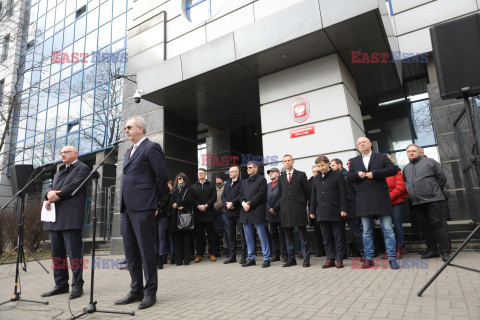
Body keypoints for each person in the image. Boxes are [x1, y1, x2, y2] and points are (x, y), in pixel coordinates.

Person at [115, 116, 167, 310]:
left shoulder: (151, 147)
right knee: (131, 252)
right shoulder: (129, 151)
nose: (126, 130)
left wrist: (157, 204)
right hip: (127, 208)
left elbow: (161, 177)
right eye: (126, 128)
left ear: (140, 128)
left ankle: (150, 291)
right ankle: (135, 289)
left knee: (146, 251)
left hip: (144, 206)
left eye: (129, 127)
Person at [41, 146, 89, 300]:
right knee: (57, 253)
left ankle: (77, 285)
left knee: (74, 253)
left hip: (70, 216)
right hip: (55, 217)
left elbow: (73, 186)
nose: (62, 154)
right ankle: (61, 284)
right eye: (61, 153)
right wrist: (48, 193)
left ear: (75, 153)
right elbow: (50, 186)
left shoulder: (82, 168)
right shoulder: (59, 170)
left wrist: (56, 195)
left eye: (66, 152)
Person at [347, 137, 399, 269]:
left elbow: (394, 169)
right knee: (366, 231)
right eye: (359, 143)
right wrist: (358, 174)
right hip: (363, 200)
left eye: (363, 142)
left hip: (380, 198)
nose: (361, 144)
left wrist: (375, 174)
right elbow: (349, 178)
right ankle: (368, 259)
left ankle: (392, 258)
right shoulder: (354, 161)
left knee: (387, 229)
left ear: (370, 144)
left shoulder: (381, 157)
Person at [403, 144, 451, 262]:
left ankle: (445, 251)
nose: (411, 153)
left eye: (413, 151)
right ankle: (432, 250)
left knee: (437, 224)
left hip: (433, 199)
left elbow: (442, 178)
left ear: (420, 152)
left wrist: (433, 190)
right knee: (425, 227)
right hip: (417, 202)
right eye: (409, 151)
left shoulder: (430, 162)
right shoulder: (406, 168)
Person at [310, 155, 348, 268]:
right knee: (326, 238)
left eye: (322, 165)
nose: (320, 167)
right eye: (318, 166)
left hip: (336, 211)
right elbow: (313, 195)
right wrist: (312, 210)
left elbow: (343, 193)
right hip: (321, 212)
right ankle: (330, 259)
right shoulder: (316, 178)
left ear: (328, 164)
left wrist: (343, 208)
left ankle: (339, 259)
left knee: (338, 237)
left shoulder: (337, 175)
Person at [278, 155, 311, 267]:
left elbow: (307, 191)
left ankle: (306, 259)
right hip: (286, 210)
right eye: (285, 161)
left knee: (303, 236)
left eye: (289, 160)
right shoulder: (281, 178)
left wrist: (302, 202)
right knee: (288, 237)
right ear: (283, 163)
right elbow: (280, 193)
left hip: (298, 209)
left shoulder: (301, 174)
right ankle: (291, 259)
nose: (287, 162)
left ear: (293, 161)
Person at [331, 158, 364, 259]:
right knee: (339, 234)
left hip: (350, 208)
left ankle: (363, 254)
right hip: (339, 208)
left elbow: (353, 192)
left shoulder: (347, 176)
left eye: (333, 165)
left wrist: (352, 204)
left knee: (356, 232)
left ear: (340, 165)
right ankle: (343, 254)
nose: (331, 167)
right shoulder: (334, 177)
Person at [240, 161, 271, 268]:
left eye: (250, 167)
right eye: (247, 168)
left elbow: (261, 195)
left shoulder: (262, 180)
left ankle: (266, 258)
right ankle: (251, 258)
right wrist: (243, 203)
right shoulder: (244, 182)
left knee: (262, 236)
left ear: (256, 168)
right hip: (246, 212)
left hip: (257, 211)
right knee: (248, 237)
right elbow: (241, 195)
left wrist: (250, 204)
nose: (247, 169)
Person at [222, 166, 248, 264]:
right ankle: (232, 256)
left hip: (239, 212)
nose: (230, 173)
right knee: (231, 236)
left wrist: (232, 203)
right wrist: (227, 204)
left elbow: (241, 195)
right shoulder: (227, 183)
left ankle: (243, 256)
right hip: (229, 213)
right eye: (229, 172)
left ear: (237, 172)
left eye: (232, 172)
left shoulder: (242, 183)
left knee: (242, 235)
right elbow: (223, 196)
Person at [191, 168, 217, 263]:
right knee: (199, 235)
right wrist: (198, 206)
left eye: (202, 173)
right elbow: (192, 198)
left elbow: (214, 197)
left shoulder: (211, 185)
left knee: (210, 234)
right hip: (198, 214)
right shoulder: (193, 187)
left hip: (209, 213)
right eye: (199, 173)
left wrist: (206, 205)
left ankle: (212, 254)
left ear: (205, 174)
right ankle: (199, 254)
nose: (200, 175)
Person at [384, 154, 407, 259]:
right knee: (386, 228)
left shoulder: (396, 171)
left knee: (397, 226)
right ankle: (390, 249)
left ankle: (399, 248)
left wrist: (388, 198)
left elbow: (400, 187)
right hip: (383, 204)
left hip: (396, 202)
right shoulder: (379, 173)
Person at [170, 173, 194, 266]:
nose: (179, 180)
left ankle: (187, 259)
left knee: (186, 238)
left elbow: (190, 200)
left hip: (185, 216)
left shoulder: (189, 189)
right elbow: (172, 202)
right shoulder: (175, 191)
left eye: (181, 178)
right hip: (176, 217)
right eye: (178, 178)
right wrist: (175, 205)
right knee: (177, 239)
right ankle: (178, 260)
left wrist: (180, 204)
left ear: (184, 179)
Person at [266, 167, 287, 262]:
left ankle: (285, 254)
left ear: (278, 174)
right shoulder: (268, 185)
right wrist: (269, 209)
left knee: (283, 235)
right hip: (271, 214)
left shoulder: (282, 183)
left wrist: (274, 208)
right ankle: (275, 254)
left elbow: (282, 197)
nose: (270, 174)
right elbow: (264, 199)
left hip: (280, 213)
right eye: (269, 173)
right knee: (273, 235)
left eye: (272, 172)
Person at [154, 180, 174, 269]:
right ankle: (155, 256)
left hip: (163, 215)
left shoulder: (166, 191)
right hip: (153, 216)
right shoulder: (152, 189)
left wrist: (158, 209)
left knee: (161, 236)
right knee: (154, 237)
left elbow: (166, 204)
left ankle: (161, 257)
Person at [308, 165, 326, 258]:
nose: (315, 173)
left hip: (323, 209)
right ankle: (321, 250)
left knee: (325, 231)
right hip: (314, 211)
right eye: (313, 172)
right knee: (317, 232)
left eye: (316, 171)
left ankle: (328, 250)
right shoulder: (310, 181)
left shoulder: (323, 180)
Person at [213, 174, 230, 257]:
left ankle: (230, 251)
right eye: (216, 178)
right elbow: (212, 198)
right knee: (216, 232)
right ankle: (217, 251)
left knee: (227, 232)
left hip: (224, 211)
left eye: (219, 178)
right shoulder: (213, 188)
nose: (217, 179)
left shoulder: (226, 187)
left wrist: (216, 207)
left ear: (222, 179)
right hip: (215, 213)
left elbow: (225, 199)